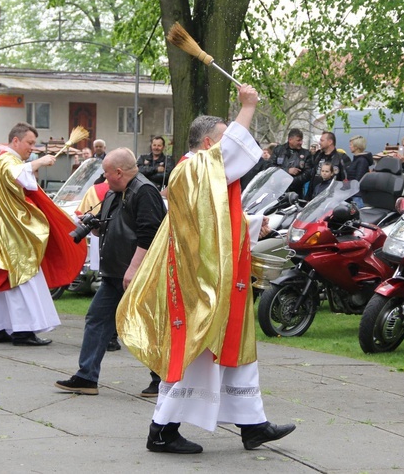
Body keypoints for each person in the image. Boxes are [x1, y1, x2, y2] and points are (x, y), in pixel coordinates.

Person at [116, 84, 295, 454]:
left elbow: (211, 221)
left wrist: (251, 222)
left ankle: (252, 424)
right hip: (198, 285)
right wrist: (247, 107)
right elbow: (230, 158)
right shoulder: (191, 168)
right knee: (197, 354)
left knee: (235, 349)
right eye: (224, 139)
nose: (228, 147)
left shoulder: (199, 174)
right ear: (208, 145)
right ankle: (161, 431)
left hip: (215, 279)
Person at [55, 148, 166, 396]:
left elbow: (151, 234)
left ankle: (163, 380)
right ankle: (86, 377)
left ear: (118, 171)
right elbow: (111, 225)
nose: (104, 178)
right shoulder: (116, 192)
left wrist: (135, 268)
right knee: (96, 319)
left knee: (148, 326)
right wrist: (93, 226)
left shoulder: (145, 191)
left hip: (136, 275)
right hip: (115, 274)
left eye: (106, 173)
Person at [0, 122, 86, 346]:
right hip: (11, 236)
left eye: (34, 144)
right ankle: (23, 331)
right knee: (22, 281)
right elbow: (16, 175)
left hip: (0, 233)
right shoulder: (7, 160)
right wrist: (39, 162)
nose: (32, 148)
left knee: (2, 286)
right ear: (15, 141)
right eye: (30, 143)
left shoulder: (6, 161)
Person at [269, 128, 312, 198]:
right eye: (298, 140)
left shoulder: (306, 154)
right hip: (277, 190)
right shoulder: (278, 150)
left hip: (295, 192)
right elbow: (270, 167)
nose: (301, 143)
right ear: (290, 140)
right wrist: (287, 170)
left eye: (301, 140)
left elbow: (308, 173)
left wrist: (292, 181)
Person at [307, 131, 347, 199]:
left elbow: (346, 181)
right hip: (314, 196)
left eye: (322, 140)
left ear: (330, 142)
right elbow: (312, 175)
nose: (319, 142)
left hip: (331, 198)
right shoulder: (318, 155)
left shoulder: (341, 157)